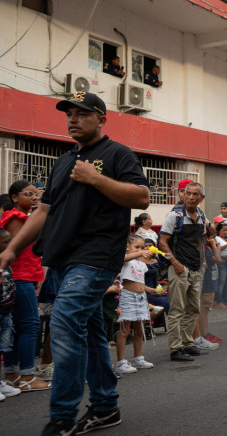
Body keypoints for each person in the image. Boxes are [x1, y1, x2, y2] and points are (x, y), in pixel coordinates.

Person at [0, 91, 149, 434]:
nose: (72, 119)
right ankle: (106, 407)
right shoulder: (64, 161)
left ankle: (63, 417)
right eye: (69, 113)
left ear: (101, 119)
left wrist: (96, 178)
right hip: (64, 259)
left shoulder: (117, 154)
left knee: (65, 322)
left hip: (96, 258)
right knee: (92, 332)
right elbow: (43, 212)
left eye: (82, 113)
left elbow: (141, 196)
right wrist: (12, 250)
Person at [0, 180, 48, 392]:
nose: (33, 197)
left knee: (18, 327)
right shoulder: (15, 217)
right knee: (30, 325)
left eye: (35, 194)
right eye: (28, 194)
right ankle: (27, 376)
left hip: (25, 276)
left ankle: (12, 375)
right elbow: (18, 247)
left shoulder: (24, 217)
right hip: (19, 276)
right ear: (14, 198)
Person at [159, 181, 207, 362]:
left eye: (196, 195)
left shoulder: (201, 215)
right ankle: (175, 348)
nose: (192, 197)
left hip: (196, 268)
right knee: (177, 310)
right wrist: (175, 263)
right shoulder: (175, 216)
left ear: (201, 198)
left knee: (193, 309)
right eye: (189, 194)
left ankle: (187, 344)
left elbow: (201, 240)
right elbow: (162, 242)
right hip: (179, 268)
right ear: (184, 195)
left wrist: (202, 262)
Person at [115, 235, 157, 375]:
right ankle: (121, 362)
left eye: (142, 247)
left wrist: (151, 291)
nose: (141, 250)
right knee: (125, 330)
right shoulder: (126, 259)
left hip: (141, 297)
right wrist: (139, 253)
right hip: (128, 296)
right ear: (127, 247)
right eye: (137, 247)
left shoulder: (141, 264)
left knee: (139, 330)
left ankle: (138, 358)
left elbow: (140, 284)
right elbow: (122, 259)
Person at [0, 227, 23, 401]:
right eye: (6, 242)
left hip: (6, 312)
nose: (10, 244)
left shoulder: (6, 260)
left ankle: (1, 382)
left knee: (2, 348)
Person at [213, 223, 227, 309]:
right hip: (222, 261)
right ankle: (218, 301)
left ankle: (226, 300)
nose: (225, 232)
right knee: (221, 282)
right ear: (219, 231)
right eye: (224, 230)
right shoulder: (216, 238)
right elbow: (216, 248)